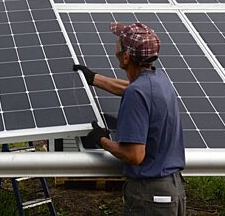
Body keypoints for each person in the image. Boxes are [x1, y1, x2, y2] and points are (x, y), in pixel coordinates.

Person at [74, 22, 186, 215]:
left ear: (126, 57)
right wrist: (94, 78)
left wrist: (101, 140)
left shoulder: (137, 92)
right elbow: (132, 89)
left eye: (119, 44)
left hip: (150, 196)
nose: (115, 46)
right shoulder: (159, 79)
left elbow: (135, 155)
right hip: (171, 190)